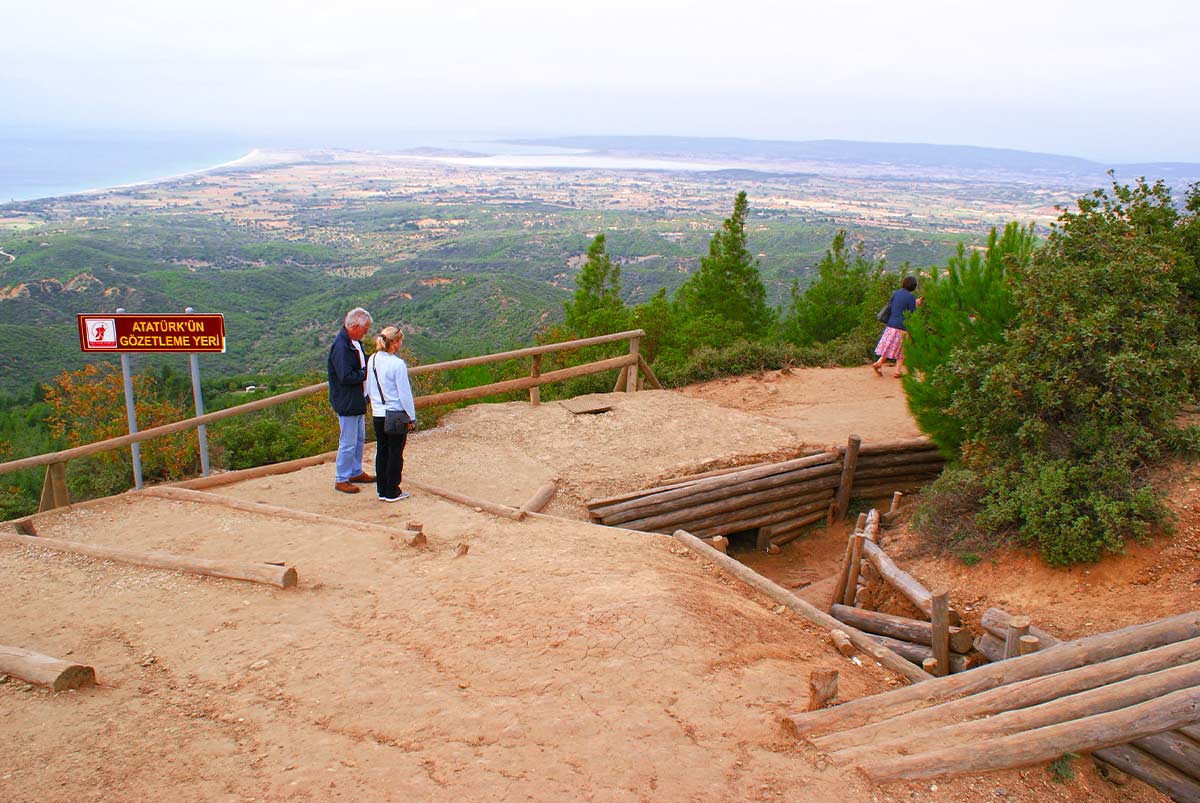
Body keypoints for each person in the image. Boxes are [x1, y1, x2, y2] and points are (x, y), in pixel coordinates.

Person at [365, 325, 417, 502]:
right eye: (400, 340)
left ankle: (382, 489)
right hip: (395, 413)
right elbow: (405, 394)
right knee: (396, 452)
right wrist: (412, 416)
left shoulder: (372, 360)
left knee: (382, 450)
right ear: (394, 342)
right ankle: (392, 490)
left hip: (378, 412)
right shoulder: (397, 364)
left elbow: (369, 387)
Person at [327, 307, 375, 494]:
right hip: (347, 401)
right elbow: (346, 376)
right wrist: (366, 373)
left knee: (359, 438)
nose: (366, 332)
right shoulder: (341, 347)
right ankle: (342, 478)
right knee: (348, 441)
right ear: (355, 326)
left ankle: (355, 471)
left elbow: (360, 364)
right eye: (365, 329)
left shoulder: (353, 343)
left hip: (356, 400)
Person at [872, 276, 918, 378]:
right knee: (903, 349)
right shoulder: (911, 297)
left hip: (891, 324)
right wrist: (916, 304)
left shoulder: (896, 293)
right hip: (903, 327)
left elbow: (893, 306)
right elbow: (913, 312)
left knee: (889, 347)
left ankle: (878, 363)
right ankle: (897, 371)